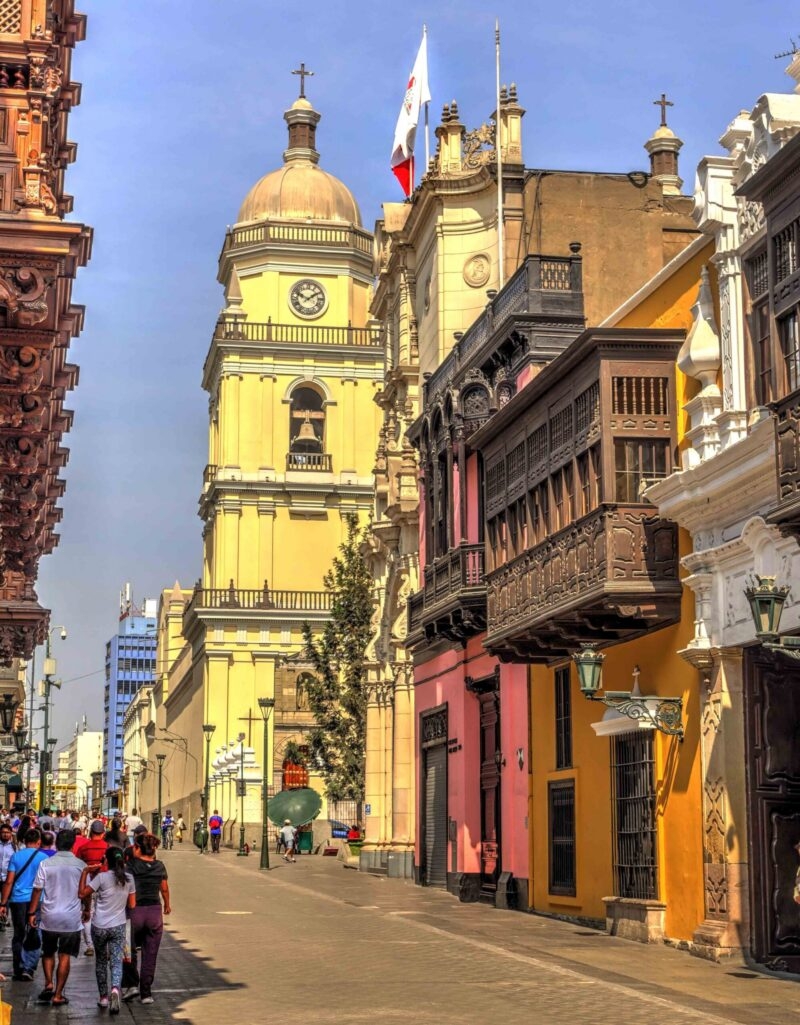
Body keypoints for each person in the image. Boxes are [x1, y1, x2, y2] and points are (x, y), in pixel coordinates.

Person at [28, 829, 87, 1007]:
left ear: (57, 844)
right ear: (72, 845)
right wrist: (88, 909)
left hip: (49, 916)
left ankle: (49, 983)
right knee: (65, 955)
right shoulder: (81, 865)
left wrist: (31, 913)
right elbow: (86, 892)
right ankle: (58, 994)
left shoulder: (46, 864)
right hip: (71, 918)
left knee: (47, 952)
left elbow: (37, 889)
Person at [79, 846, 135, 1014]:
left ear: (106, 861)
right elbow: (132, 904)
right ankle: (115, 989)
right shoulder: (129, 878)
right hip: (118, 925)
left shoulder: (101, 878)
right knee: (117, 961)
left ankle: (103, 997)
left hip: (99, 926)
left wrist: (85, 872)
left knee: (101, 961)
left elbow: (82, 894)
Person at [128, 833, 170, 1005]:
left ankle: (131, 985)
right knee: (150, 953)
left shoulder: (130, 865)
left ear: (137, 848)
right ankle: (146, 992)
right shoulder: (160, 866)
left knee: (129, 950)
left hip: (134, 911)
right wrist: (167, 905)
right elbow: (164, 889)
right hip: (154, 912)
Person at [0, 827, 47, 980]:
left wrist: (3, 903)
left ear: (25, 841)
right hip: (37, 900)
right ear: (38, 842)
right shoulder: (44, 858)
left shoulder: (16, 856)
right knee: (34, 933)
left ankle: (18, 967)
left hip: (17, 900)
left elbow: (9, 881)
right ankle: (29, 968)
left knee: (19, 934)